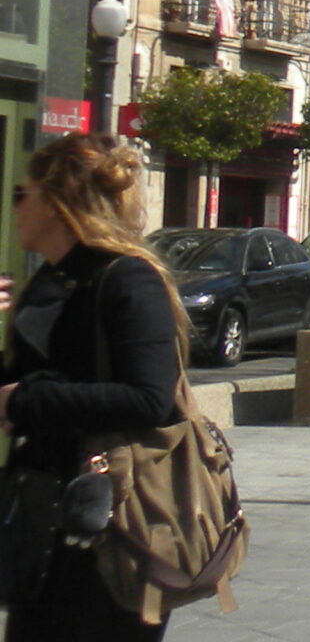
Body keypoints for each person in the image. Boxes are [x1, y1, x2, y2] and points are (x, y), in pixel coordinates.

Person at [0, 134, 188, 641]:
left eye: (22, 194)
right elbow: (20, 378)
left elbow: (149, 399)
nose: (14, 208)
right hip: (44, 521)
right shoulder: (52, 281)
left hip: (112, 525)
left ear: (56, 203)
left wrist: (24, 401)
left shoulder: (128, 279)